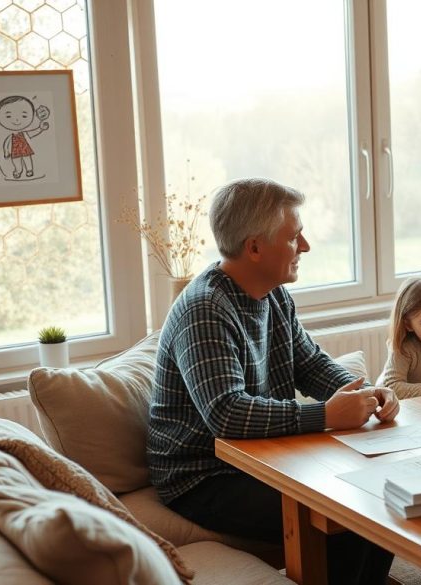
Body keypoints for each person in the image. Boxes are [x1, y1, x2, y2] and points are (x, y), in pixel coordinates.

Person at [147, 178, 398, 583]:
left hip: (263, 456)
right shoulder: (206, 309)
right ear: (255, 248)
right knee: (350, 509)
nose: (306, 246)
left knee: (382, 488)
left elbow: (309, 363)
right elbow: (227, 414)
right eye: (295, 236)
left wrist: (364, 392)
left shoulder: (273, 293)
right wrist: (326, 415)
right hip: (204, 475)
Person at [0, 95, 50, 179]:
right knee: (16, 162)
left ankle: (29, 170)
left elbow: (33, 133)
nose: (17, 120)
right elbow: (6, 144)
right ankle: (18, 171)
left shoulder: (24, 134)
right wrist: (6, 152)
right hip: (15, 151)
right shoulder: (10, 137)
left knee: (27, 159)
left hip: (25, 149)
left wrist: (40, 129)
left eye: (24, 116)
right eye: (8, 116)